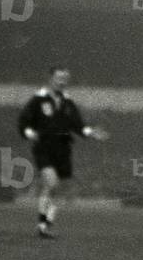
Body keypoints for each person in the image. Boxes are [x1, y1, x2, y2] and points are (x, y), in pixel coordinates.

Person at [16, 67, 109, 238]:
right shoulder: (38, 100)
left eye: (65, 78)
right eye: (59, 78)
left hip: (63, 149)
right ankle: (42, 226)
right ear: (50, 78)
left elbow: (78, 125)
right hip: (44, 147)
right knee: (51, 183)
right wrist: (30, 133)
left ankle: (45, 225)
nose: (63, 81)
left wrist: (90, 132)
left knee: (58, 189)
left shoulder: (68, 103)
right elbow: (24, 121)